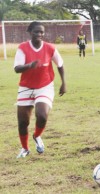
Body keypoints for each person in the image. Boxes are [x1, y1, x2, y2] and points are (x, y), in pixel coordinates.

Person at [13, 21, 66, 158]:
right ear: (30, 32)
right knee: (23, 122)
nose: (39, 34)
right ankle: (25, 148)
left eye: (41, 32)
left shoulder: (50, 48)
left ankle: (37, 136)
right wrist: (29, 65)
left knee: (42, 115)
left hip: (45, 86)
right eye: (36, 31)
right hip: (26, 87)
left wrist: (63, 83)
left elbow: (60, 64)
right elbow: (17, 68)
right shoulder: (23, 48)